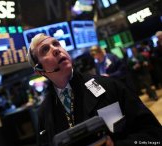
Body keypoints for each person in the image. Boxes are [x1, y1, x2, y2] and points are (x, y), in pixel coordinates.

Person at [27, 33, 162, 146]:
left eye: (56, 44)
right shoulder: (44, 113)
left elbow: (154, 135)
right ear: (40, 71)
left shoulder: (109, 86)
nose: (56, 49)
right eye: (45, 49)